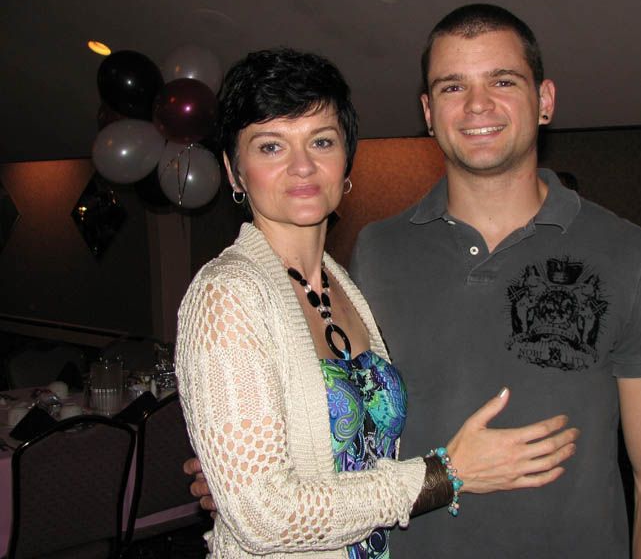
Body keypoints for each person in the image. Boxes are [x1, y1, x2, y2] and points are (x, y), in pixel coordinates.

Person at [175, 48, 579, 558]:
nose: (302, 166)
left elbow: (359, 452)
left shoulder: (345, 283)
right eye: (271, 147)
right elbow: (264, 517)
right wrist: (447, 474)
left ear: (347, 161)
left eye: (321, 141)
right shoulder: (227, 295)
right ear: (235, 172)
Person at [348, 4, 641, 557]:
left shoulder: (631, 254)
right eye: (452, 87)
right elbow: (345, 412)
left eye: (502, 80)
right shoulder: (376, 251)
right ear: (428, 112)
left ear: (545, 100)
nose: (477, 105)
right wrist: (255, 464)